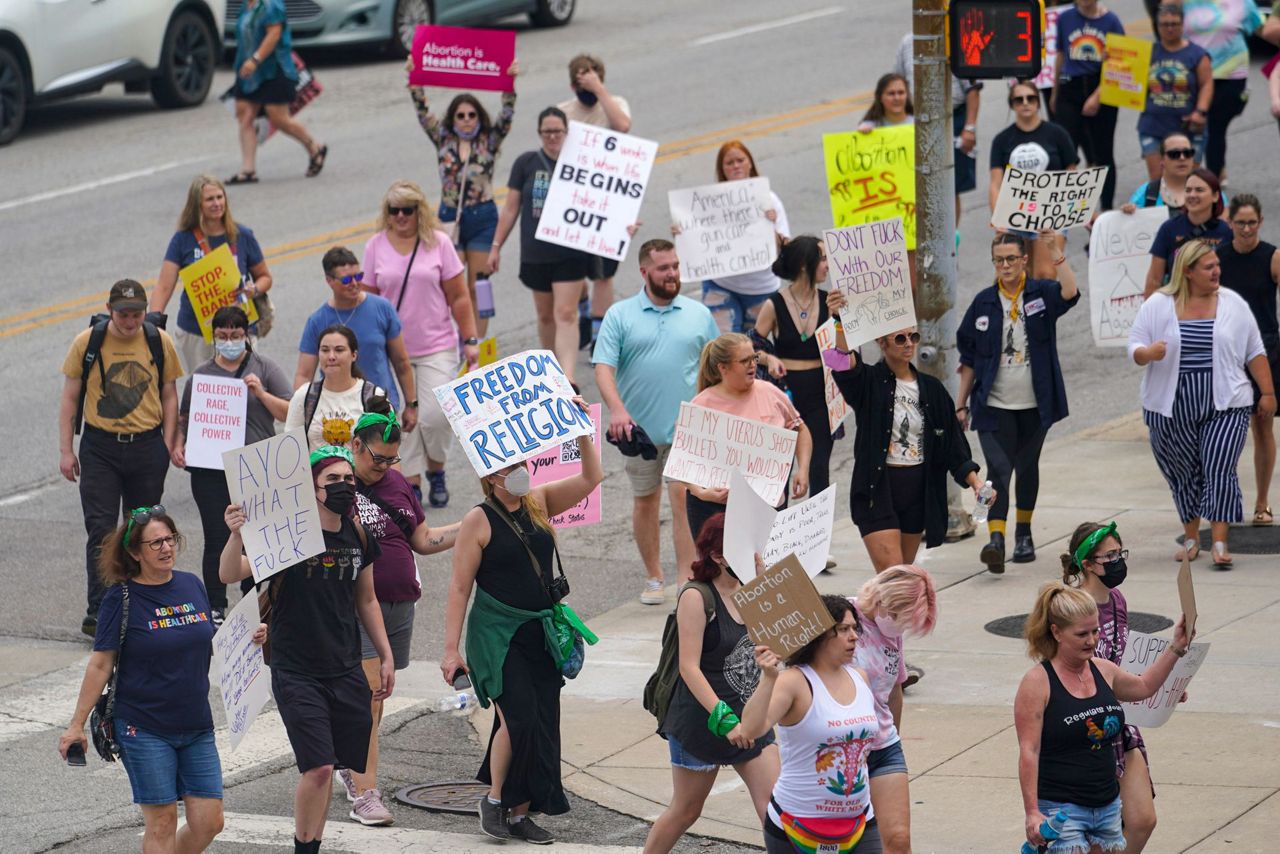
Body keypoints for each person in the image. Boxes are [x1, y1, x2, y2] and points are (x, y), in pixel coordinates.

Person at [439, 399, 602, 845]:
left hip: (541, 631)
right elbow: (459, 588)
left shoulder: (539, 502)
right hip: (498, 636)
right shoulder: (478, 519)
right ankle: (494, 802)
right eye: (509, 464)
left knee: (544, 721)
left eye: (523, 460)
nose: (521, 468)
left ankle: (520, 813)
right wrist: (451, 649)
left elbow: (592, 478)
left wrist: (582, 430)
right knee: (520, 717)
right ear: (491, 475)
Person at [220, 445, 394, 854]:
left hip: (345, 666)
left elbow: (366, 600)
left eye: (349, 479)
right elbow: (230, 572)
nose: (344, 486)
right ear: (311, 487)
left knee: (334, 767)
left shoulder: (358, 534)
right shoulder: (290, 533)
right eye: (332, 480)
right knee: (316, 767)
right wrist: (234, 534)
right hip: (296, 668)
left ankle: (312, 844)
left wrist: (385, 656)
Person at [59, 507, 253, 853]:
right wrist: (75, 726)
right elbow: (101, 664)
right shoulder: (121, 599)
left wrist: (253, 636)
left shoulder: (191, 584)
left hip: (195, 724)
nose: (166, 548)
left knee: (210, 821)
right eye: (155, 543)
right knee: (162, 822)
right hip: (144, 726)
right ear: (135, 552)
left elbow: (207, 641)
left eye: (170, 539)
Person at [334, 401, 461, 826]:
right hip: (356, 606)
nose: (385, 466)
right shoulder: (335, 483)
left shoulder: (397, 485)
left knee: (377, 695)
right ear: (356, 445)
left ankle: (348, 761)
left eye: (393, 458)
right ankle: (366, 792)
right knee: (370, 693)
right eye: (378, 458)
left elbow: (422, 539)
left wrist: (474, 526)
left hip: (399, 604)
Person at [1130, 238, 1276, 570]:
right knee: (1183, 473)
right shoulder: (1158, 304)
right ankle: (1193, 536)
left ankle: (1221, 541)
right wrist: (1147, 353)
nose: (1217, 272)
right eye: (1209, 267)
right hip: (1170, 406)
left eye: (1217, 266)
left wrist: (1267, 393)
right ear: (1188, 271)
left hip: (1226, 403)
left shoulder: (1232, 303)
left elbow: (1255, 350)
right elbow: (1135, 344)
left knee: (1219, 467)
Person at [1014, 582, 1192, 853]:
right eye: (1082, 634)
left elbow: (1144, 686)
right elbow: (1029, 751)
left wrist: (1177, 647)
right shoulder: (1037, 683)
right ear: (1056, 632)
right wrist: (1032, 812)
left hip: (1107, 804)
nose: (1092, 640)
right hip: (1062, 808)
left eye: (1095, 630)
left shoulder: (1103, 670)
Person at [593, 239, 719, 604]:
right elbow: (604, 369)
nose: (672, 274)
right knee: (645, 499)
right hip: (639, 431)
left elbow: (715, 367)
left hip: (689, 428)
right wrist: (617, 409)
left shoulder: (698, 314)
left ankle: (685, 578)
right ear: (645, 272)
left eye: (676, 266)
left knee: (682, 498)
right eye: (664, 268)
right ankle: (653, 577)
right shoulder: (620, 315)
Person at [643, 515, 778, 854]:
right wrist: (726, 721)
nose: (753, 554)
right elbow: (688, 668)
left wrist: (764, 588)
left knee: (777, 812)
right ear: (718, 557)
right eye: (742, 550)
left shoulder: (752, 587)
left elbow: (767, 646)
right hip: (702, 720)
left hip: (750, 714)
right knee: (686, 811)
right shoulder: (696, 596)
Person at [825, 291, 985, 573]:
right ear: (881, 341)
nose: (909, 343)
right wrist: (839, 319)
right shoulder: (869, 383)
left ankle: (881, 617)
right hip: (878, 489)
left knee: (902, 578)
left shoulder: (932, 389)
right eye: (900, 338)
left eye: (913, 337)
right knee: (894, 575)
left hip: (918, 491)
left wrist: (976, 484)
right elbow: (841, 363)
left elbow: (952, 444)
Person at [59, 280, 183, 636]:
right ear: (111, 310)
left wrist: (168, 441)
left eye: (137, 314)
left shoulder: (159, 341)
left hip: (146, 445)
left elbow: (170, 393)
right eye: (123, 314)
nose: (130, 321)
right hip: (101, 446)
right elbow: (70, 397)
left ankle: (139, 603)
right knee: (100, 529)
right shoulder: (89, 342)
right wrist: (66, 450)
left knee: (142, 529)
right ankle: (99, 607)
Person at [957, 233, 1080, 574]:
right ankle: (996, 540)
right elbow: (968, 359)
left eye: (1012, 258)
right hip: (992, 405)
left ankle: (1024, 534)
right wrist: (960, 404)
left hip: (1035, 405)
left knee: (1027, 467)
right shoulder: (983, 303)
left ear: (1024, 259)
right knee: (998, 469)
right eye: (1000, 260)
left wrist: (1056, 254)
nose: (1006, 266)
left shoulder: (1041, 293)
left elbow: (1070, 293)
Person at [361, 181, 478, 506]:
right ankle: (409, 480)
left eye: (407, 210)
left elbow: (459, 296)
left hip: (436, 344)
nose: (400, 216)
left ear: (419, 211)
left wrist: (470, 339)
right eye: (393, 210)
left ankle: (436, 469)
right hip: (392, 349)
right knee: (401, 415)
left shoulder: (438, 243)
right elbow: (368, 299)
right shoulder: (374, 246)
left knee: (434, 417)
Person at [740, 596, 883, 854]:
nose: (854, 637)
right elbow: (750, 730)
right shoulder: (794, 681)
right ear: (818, 635)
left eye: (854, 628)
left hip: (859, 821)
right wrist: (768, 678)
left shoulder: (860, 677)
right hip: (796, 824)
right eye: (842, 630)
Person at [175, 305, 291, 623]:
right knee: (217, 535)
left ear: (246, 335)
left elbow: (289, 411)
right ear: (213, 337)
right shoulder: (201, 374)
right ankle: (215, 604)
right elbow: (186, 418)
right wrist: (179, 444)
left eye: (236, 335)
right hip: (211, 469)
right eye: (223, 336)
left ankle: (253, 599)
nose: (229, 341)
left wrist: (261, 393)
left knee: (254, 535)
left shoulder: (264, 367)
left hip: (255, 468)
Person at [1060, 521, 1158, 852]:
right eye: (1110, 556)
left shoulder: (1117, 600)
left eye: (1120, 553)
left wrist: (1159, 687)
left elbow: (1123, 663)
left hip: (1120, 722)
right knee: (1099, 836)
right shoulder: (1071, 608)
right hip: (1085, 732)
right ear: (1087, 563)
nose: (1118, 561)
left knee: (1142, 819)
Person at [407, 61, 519, 337]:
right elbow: (422, 112)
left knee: (478, 286)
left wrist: (509, 83)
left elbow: (506, 115)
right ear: (453, 119)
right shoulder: (443, 139)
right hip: (449, 219)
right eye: (461, 115)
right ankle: (457, 338)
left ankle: (478, 343)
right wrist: (413, 76)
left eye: (471, 115)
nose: (467, 119)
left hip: (483, 217)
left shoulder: (489, 141)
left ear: (479, 117)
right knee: (452, 286)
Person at [489, 107, 594, 386]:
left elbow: (601, 203)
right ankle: (553, 372)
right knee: (546, 315)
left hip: (570, 252)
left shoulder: (580, 163)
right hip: (536, 253)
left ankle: (568, 376)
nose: (552, 137)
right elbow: (511, 209)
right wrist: (496, 246)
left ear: (566, 133)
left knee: (566, 313)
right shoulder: (526, 163)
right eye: (546, 132)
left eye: (557, 131)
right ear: (539, 134)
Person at [682, 333, 813, 543]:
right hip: (715, 509)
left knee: (765, 570)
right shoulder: (702, 404)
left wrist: (803, 469)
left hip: (766, 503)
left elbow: (800, 429)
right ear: (722, 368)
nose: (753, 365)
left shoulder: (770, 392)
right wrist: (703, 493)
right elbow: (682, 463)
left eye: (754, 358)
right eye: (744, 361)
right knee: (721, 573)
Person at [149, 174, 273, 373]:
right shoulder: (183, 240)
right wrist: (152, 325)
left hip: (239, 330)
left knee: (242, 390)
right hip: (195, 332)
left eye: (220, 197)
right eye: (209, 199)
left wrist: (254, 289)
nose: (216, 203)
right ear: (197, 204)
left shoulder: (242, 235)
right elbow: (164, 286)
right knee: (205, 393)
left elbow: (265, 277)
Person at [558, 53, 632, 348]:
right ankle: (585, 312)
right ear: (573, 85)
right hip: (575, 203)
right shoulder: (563, 112)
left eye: (593, 77)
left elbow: (623, 126)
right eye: (582, 80)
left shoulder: (615, 104)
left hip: (609, 203)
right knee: (577, 270)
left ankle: (600, 334)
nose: (587, 86)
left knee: (603, 272)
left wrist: (599, 90)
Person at [754, 237, 835, 499]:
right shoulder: (774, 304)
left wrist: (840, 318)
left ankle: (819, 535)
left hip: (820, 395)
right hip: (786, 393)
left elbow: (844, 356)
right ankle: (777, 533)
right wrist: (769, 359)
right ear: (804, 265)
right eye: (822, 258)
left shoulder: (829, 301)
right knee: (781, 468)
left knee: (819, 468)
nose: (828, 265)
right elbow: (749, 350)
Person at [296, 247, 418, 416]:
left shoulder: (382, 308)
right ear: (329, 281)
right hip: (337, 413)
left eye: (358, 276)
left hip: (380, 408)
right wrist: (300, 412)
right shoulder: (317, 321)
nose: (354, 284)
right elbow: (304, 375)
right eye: (346, 279)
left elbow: (401, 361)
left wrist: (411, 404)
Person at [1218, 195, 1280, 524]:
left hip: (1265, 349)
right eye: (1240, 223)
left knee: (1262, 425)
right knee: (1224, 430)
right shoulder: (1218, 259)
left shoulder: (1272, 257)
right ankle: (1223, 504)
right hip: (1228, 351)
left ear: (1260, 222)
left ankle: (1262, 501)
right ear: (1229, 223)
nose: (1245, 229)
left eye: (1251, 223)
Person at [689, 141, 791, 334]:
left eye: (740, 160)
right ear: (722, 169)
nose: (735, 166)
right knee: (724, 347)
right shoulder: (711, 202)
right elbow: (696, 238)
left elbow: (785, 249)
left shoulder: (769, 200)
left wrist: (771, 226)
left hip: (760, 289)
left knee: (749, 349)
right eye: (729, 163)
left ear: (750, 163)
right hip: (720, 285)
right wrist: (682, 231)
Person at [227, 0, 326, 183]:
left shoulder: (271, 5)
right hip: (248, 71)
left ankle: (314, 147)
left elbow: (274, 34)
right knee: (245, 115)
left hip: (273, 69)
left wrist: (255, 60)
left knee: (279, 118)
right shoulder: (246, 5)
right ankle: (248, 170)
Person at [989, 80, 1078, 279]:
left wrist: (1072, 210)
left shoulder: (1057, 134)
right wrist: (998, 219)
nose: (1025, 103)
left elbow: (1072, 174)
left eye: (1031, 98)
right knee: (1017, 277)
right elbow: (996, 183)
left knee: (1045, 275)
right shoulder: (1002, 140)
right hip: (1016, 215)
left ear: (1038, 102)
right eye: (1019, 100)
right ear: (1012, 105)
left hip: (1050, 213)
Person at [893, 32, 982, 224]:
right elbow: (898, 81)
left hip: (952, 118)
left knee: (950, 185)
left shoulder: (955, 41)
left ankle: (952, 237)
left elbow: (973, 89)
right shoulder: (907, 42)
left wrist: (970, 128)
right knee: (919, 182)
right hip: (920, 121)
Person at [1050, 0, 1124, 211]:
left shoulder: (1111, 21)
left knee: (1103, 154)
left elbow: (1120, 63)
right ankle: (1067, 210)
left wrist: (1098, 96)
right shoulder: (1065, 18)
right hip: (1070, 86)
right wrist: (1055, 92)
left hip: (1100, 84)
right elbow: (1061, 55)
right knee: (1064, 148)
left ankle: (1106, 211)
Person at [1182, 0, 1265, 181]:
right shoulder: (1184, 3)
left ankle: (1213, 181)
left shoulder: (1243, 3)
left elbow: (1264, 30)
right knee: (1190, 128)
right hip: (1194, 73)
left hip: (1232, 73)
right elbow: (1165, 26)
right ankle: (1192, 178)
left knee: (1214, 128)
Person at [285, 325, 390, 452]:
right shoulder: (304, 396)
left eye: (339, 350)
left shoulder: (374, 396)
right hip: (315, 472)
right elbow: (289, 450)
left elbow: (389, 452)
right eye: (324, 350)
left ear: (354, 355)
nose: (331, 356)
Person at [1139, 4, 1212, 182]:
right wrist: (1111, 60)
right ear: (1157, 26)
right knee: (1157, 180)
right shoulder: (1147, 53)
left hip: (1188, 128)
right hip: (1153, 126)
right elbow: (1125, 78)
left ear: (1182, 24)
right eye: (1164, 24)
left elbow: (1207, 84)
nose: (1169, 28)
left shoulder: (1197, 54)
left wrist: (1200, 112)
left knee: (1188, 181)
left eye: (1174, 23)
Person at [1142, 168, 1232, 297]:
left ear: (1215, 196)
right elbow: (1155, 279)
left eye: (1199, 190)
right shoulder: (1169, 229)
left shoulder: (1226, 232)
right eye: (1188, 190)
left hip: (1215, 307)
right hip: (1177, 307)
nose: (1192, 195)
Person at [1122, 131, 1200, 213]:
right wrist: (1128, 212)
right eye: (1174, 154)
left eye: (1187, 153)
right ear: (1162, 160)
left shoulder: (1208, 189)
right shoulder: (1146, 193)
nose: (1182, 158)